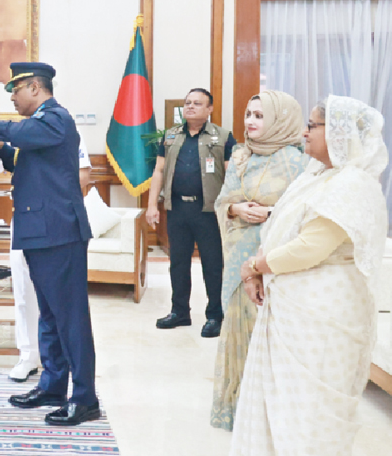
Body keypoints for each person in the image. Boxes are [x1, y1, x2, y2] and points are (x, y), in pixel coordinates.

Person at [231, 96, 388, 455]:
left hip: (321, 320)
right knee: (281, 404)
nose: (305, 131)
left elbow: (309, 248)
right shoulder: (317, 175)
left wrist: (254, 267)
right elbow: (279, 228)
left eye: (313, 125)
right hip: (291, 312)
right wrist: (256, 269)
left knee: (306, 415)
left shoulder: (352, 185)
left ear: (337, 134)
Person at [0, 62, 100, 426]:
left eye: (16, 89)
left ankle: (85, 398)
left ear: (36, 89)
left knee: (70, 318)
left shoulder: (55, 119)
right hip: (42, 233)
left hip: (59, 234)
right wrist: (0, 149)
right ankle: (53, 385)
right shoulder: (41, 128)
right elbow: (27, 162)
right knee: (50, 315)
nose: (12, 96)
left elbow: (22, 133)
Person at [209, 91, 308, 431]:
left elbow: (304, 212)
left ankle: (272, 414)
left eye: (260, 116)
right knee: (238, 329)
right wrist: (237, 209)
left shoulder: (300, 162)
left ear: (281, 120)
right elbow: (224, 201)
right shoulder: (240, 156)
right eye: (249, 114)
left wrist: (271, 212)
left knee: (271, 336)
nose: (250, 121)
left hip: (275, 261)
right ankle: (238, 410)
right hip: (239, 259)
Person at [0, 136, 92, 382]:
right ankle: (28, 356)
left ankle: (60, 362)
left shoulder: (66, 135)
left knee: (58, 301)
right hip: (24, 220)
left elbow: (83, 176)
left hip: (56, 222)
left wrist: (45, 196)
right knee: (23, 293)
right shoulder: (20, 139)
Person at [145, 88, 237, 337]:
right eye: (187, 103)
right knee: (178, 263)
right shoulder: (171, 136)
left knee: (212, 264)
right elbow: (159, 171)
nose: (191, 107)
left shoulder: (223, 137)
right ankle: (180, 312)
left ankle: (215, 315)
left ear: (210, 109)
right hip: (177, 209)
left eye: (197, 103)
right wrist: (152, 205)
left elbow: (232, 176)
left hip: (208, 211)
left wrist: (233, 208)